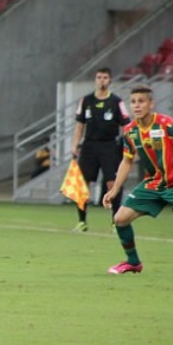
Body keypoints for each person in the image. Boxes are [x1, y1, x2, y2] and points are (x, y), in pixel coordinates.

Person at [101, 85, 173, 274]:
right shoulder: (130, 130)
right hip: (154, 184)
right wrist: (115, 189)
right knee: (120, 219)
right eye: (133, 102)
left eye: (141, 101)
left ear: (151, 104)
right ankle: (133, 262)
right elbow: (127, 161)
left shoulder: (167, 124)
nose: (136, 105)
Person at [69, 67, 131, 232]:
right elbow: (79, 125)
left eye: (105, 77)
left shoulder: (117, 102)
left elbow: (126, 125)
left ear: (109, 80)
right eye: (99, 77)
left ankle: (115, 221)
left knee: (112, 183)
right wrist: (74, 144)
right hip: (89, 145)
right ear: (95, 80)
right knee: (83, 184)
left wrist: (128, 145)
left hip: (109, 146)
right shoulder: (86, 101)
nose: (101, 80)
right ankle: (82, 221)